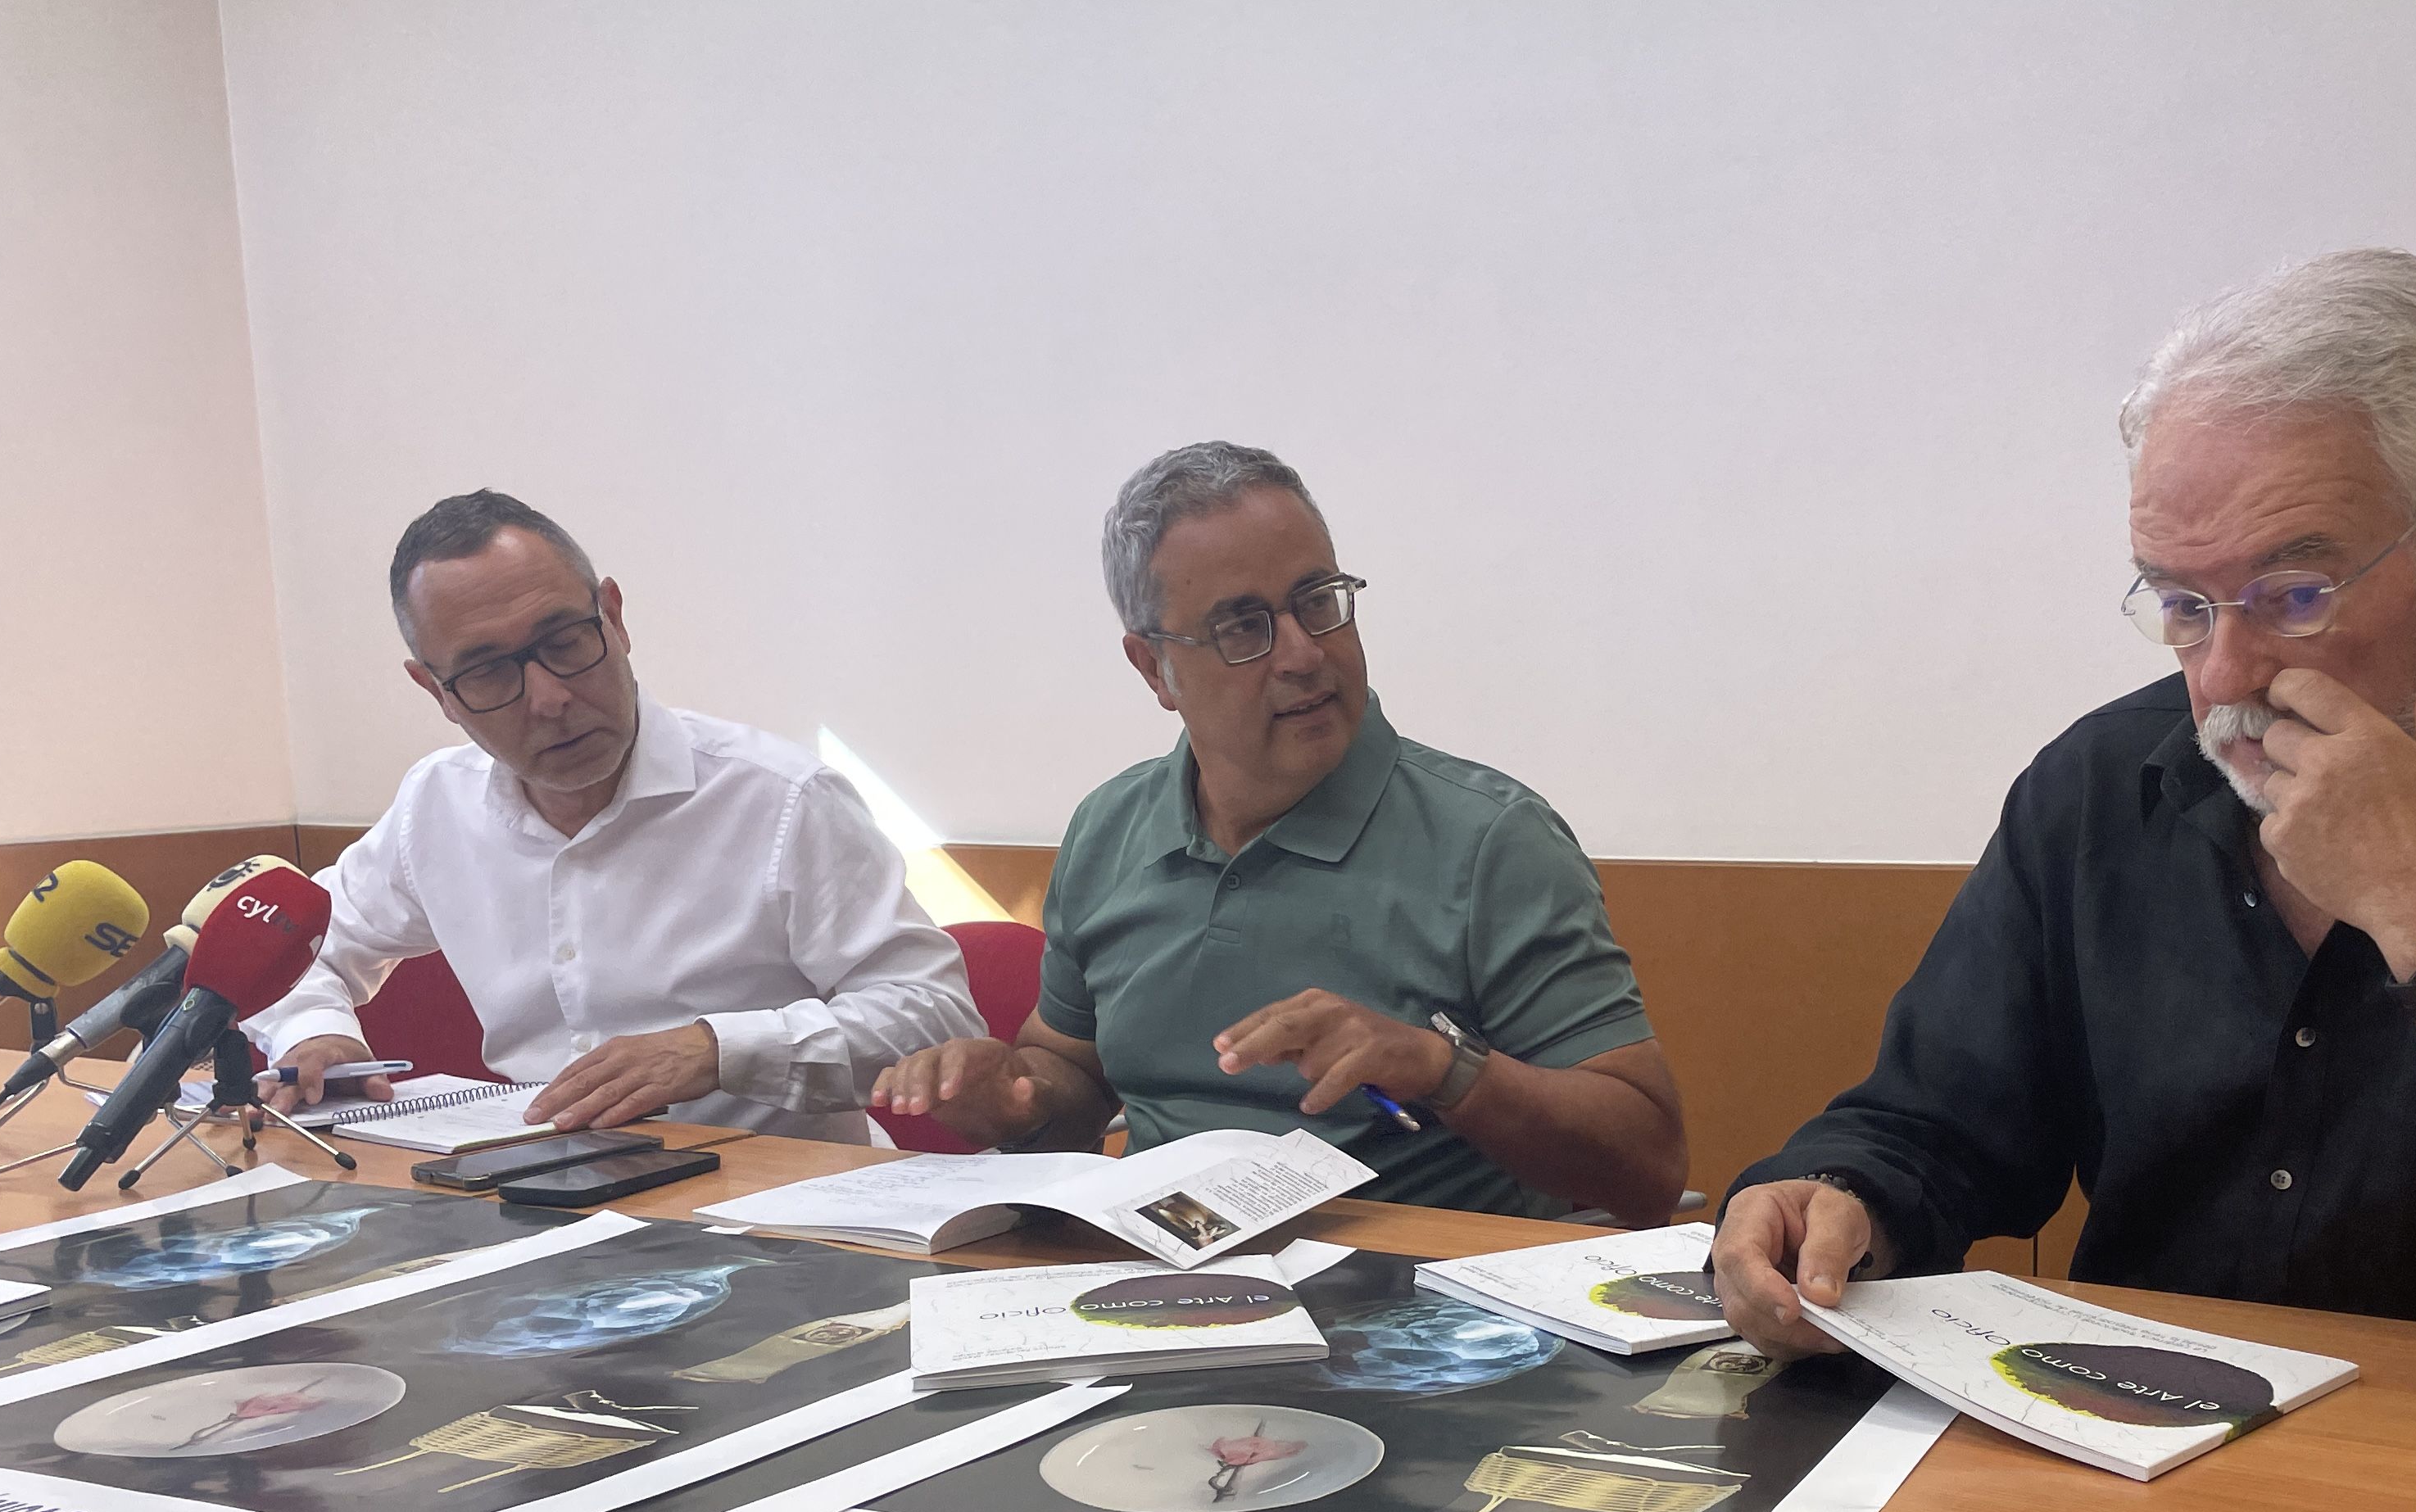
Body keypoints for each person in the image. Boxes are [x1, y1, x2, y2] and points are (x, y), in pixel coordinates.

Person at [1713, 249, 2416, 1392]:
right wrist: (1836, 1192)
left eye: (2292, 596)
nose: (2223, 673)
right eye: (2180, 603)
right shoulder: (2103, 784)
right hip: (2141, 1456)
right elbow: (1938, 1125)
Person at [876, 442, 1686, 1224]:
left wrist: (1442, 1069)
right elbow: (1072, 1082)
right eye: (1243, 627)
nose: (1303, 653)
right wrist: (1015, 1098)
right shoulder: (1110, 831)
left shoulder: (1491, 841)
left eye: (1317, 601)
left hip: (1419, 1325)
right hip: (1163, 1292)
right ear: (1153, 668)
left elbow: (1648, 1171)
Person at [251, 491, 981, 1142]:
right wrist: (319, 1034)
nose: (549, 698)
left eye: (566, 642)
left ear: (616, 619)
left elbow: (934, 1016)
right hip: (534, 1192)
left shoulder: (781, 797)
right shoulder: (435, 805)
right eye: (488, 673)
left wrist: (716, 1051)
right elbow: (288, 948)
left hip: (768, 1209)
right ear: (436, 691)